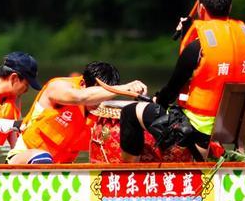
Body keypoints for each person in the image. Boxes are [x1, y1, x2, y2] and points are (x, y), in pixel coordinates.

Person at [119, 0, 245, 161]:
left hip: (195, 135)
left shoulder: (197, 47)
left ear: (200, 8)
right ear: (229, 7)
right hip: (225, 131)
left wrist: (158, 98)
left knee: (129, 112)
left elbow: (170, 93)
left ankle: (126, 177)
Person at [9, 62, 147, 165]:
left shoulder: (101, 114)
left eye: (104, 95)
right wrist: (124, 88)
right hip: (24, 158)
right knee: (42, 157)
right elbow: (81, 97)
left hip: (61, 170)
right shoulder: (57, 87)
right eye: (97, 93)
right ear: (83, 84)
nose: (98, 100)